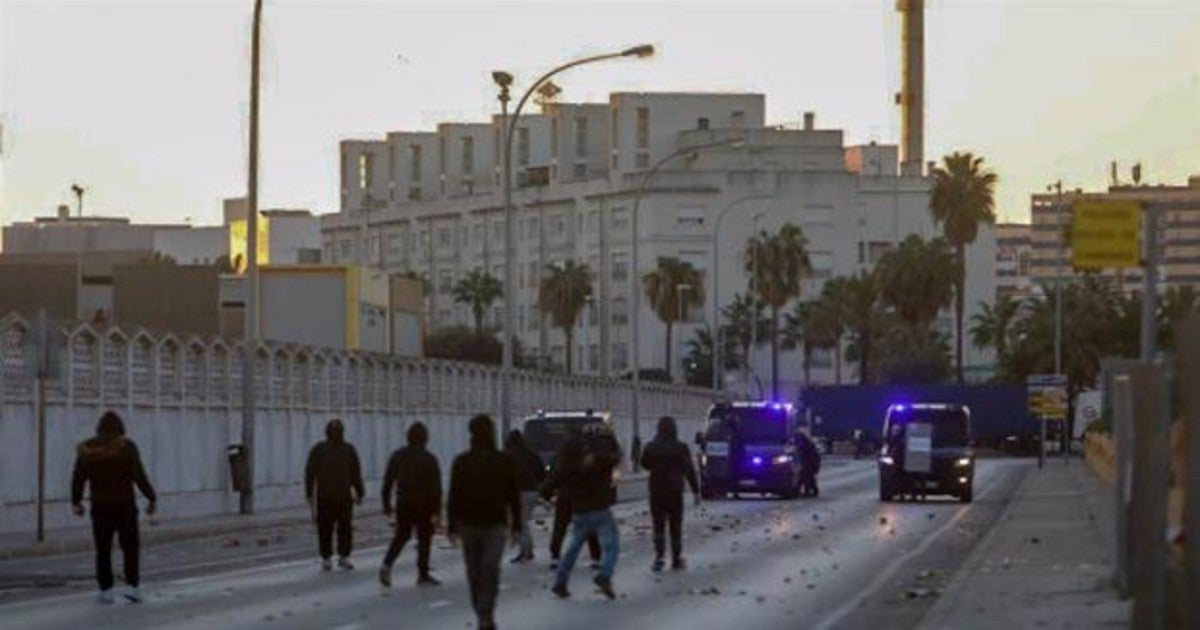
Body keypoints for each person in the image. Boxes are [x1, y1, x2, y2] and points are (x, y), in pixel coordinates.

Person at [70, 411, 157, 604]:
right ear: (120, 429)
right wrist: (151, 497)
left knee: (102, 549)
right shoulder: (127, 447)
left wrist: (76, 501)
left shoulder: (87, 450)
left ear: (99, 428)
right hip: (124, 506)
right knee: (130, 548)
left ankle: (106, 590)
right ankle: (132, 587)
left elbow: (78, 477)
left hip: (100, 506)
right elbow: (138, 475)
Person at [447, 414, 522, 630]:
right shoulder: (501, 460)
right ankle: (484, 611)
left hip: (474, 523)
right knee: (488, 569)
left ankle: (483, 611)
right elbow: (513, 495)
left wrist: (452, 525)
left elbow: (454, 495)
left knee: (476, 571)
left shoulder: (464, 461)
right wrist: (516, 525)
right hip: (490, 522)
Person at [551, 425, 622, 600]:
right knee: (611, 544)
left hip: (579, 509)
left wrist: (544, 490)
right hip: (599, 508)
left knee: (573, 547)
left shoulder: (570, 462)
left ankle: (560, 582)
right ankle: (604, 575)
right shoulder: (596, 457)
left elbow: (558, 477)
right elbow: (613, 459)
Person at [379, 422, 442, 588]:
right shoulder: (429, 459)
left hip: (404, 501)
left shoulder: (398, 455)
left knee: (401, 535)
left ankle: (387, 563)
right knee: (424, 538)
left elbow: (388, 481)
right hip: (424, 504)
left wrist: (386, 503)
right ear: (425, 438)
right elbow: (436, 487)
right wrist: (437, 511)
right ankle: (423, 574)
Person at [640, 416, 701, 572]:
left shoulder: (651, 447)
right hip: (674, 490)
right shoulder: (680, 447)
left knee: (658, 524)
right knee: (675, 525)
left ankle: (659, 557)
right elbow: (689, 470)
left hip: (657, 489)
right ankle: (676, 558)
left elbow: (644, 464)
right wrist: (695, 490)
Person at [304, 419, 365, 571]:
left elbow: (310, 473)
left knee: (325, 528)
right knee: (344, 527)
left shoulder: (319, 449)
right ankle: (343, 556)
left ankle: (326, 558)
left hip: (325, 496)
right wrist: (360, 492)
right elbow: (356, 474)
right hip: (343, 496)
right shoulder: (349, 450)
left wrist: (309, 492)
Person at [541, 427, 601, 570]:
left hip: (565, 496)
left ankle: (555, 556)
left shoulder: (562, 457)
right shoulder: (587, 455)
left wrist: (545, 492)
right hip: (584, 496)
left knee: (560, 527)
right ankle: (596, 557)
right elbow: (595, 476)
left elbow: (556, 476)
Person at [504, 429, 545, 563]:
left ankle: (525, 552)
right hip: (533, 491)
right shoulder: (532, 454)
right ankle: (527, 550)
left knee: (520, 522)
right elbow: (541, 472)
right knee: (523, 521)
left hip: (518, 491)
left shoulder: (509, 456)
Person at [796, 430, 822, 498]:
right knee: (809, 478)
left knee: (804, 478)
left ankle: (805, 491)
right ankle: (813, 490)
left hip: (809, 464)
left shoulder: (804, 444)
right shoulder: (809, 443)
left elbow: (803, 453)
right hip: (811, 463)